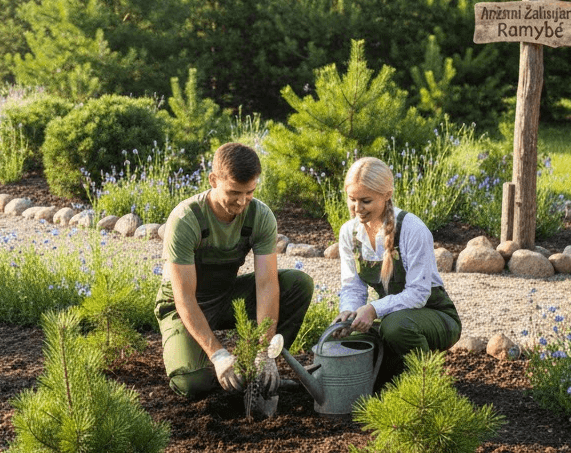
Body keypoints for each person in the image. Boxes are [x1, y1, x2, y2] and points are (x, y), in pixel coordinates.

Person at [154, 142, 314, 401]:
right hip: (182, 305)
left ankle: (258, 367)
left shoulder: (260, 216)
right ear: (213, 180)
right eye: (234, 192)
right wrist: (218, 355)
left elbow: (266, 286)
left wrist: (263, 350)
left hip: (226, 297)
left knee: (297, 284)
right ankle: (224, 368)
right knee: (192, 383)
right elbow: (184, 298)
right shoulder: (186, 219)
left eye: (249, 192)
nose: (242, 201)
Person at [333, 156, 461, 385]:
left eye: (366, 201)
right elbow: (353, 285)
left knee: (396, 327)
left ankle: (423, 386)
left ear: (387, 195)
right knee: (343, 339)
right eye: (352, 200)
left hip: (435, 317)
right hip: (393, 316)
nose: (357, 209)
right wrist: (348, 312)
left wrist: (373, 309)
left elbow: (419, 294)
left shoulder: (412, 229)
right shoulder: (349, 233)